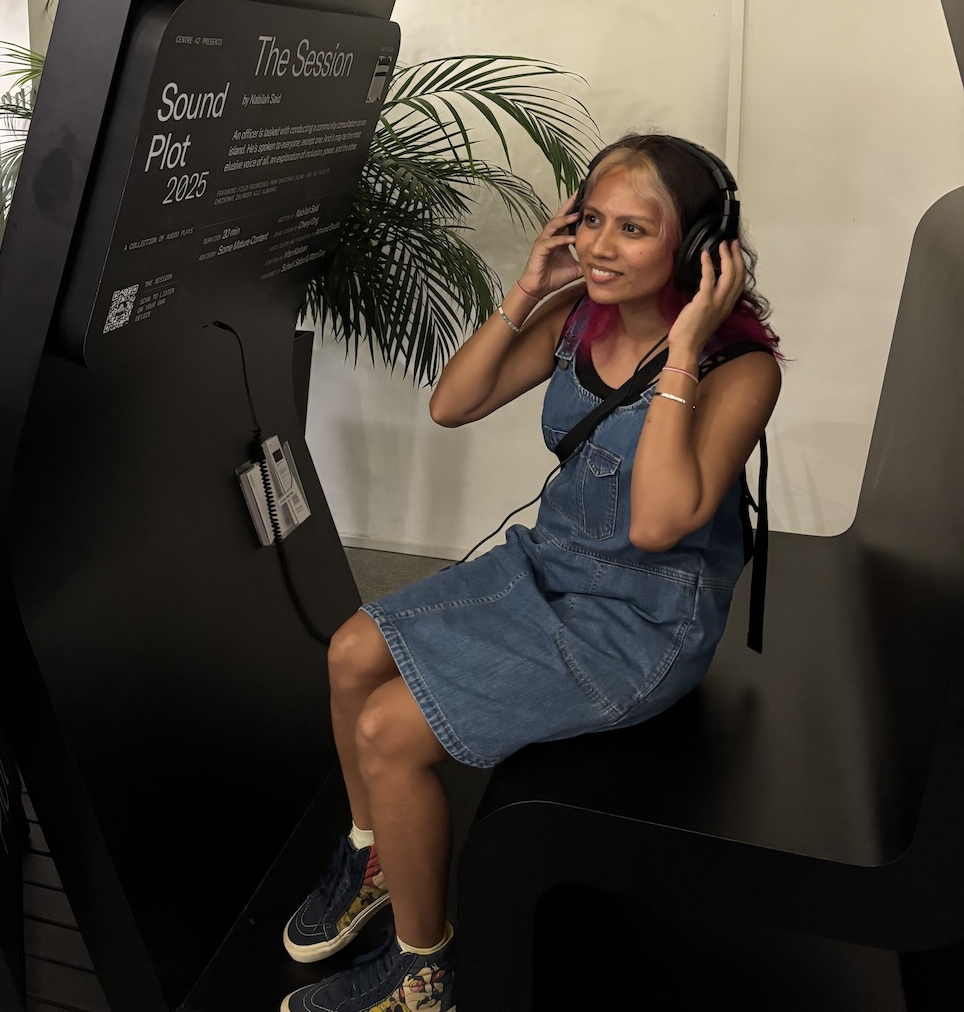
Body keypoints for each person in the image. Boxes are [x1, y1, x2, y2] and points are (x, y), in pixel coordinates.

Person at [280, 133, 782, 1012]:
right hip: (548, 566)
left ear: (698, 250)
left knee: (389, 730)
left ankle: (421, 974)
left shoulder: (740, 372)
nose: (596, 246)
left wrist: (682, 349)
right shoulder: (571, 319)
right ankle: (375, 857)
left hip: (640, 622)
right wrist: (526, 289)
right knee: (351, 652)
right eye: (590, 219)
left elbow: (659, 523)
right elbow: (451, 404)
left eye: (632, 229)